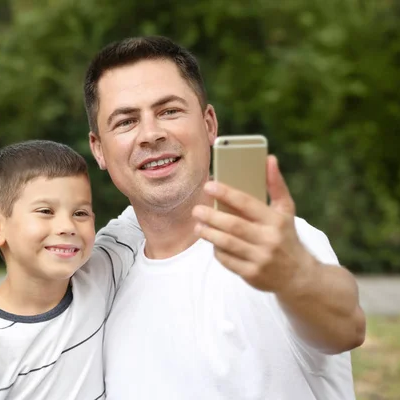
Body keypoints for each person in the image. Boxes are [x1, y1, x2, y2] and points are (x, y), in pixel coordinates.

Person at [84, 36, 366, 400]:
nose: (151, 134)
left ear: (209, 124)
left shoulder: (276, 246)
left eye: (169, 111)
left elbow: (345, 328)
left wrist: (294, 275)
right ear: (98, 149)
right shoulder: (105, 271)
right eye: (126, 121)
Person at [0, 140, 143, 400]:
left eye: (81, 213)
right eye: (45, 211)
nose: (67, 226)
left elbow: (152, 205)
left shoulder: (101, 271)